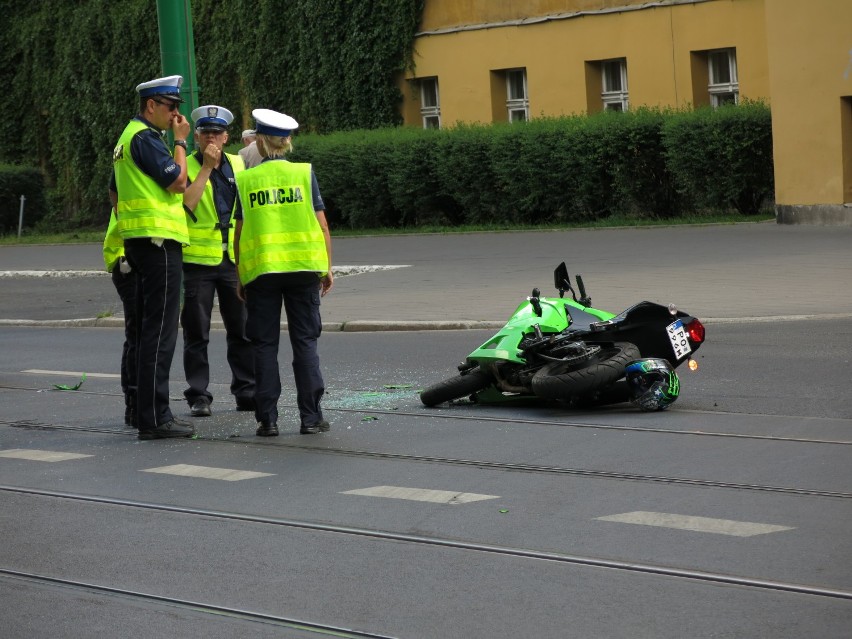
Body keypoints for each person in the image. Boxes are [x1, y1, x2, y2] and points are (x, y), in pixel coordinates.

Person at [234, 108, 333, 437]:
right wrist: (327, 268)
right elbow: (321, 224)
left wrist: (241, 274)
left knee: (264, 345)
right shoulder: (304, 173)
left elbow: (238, 230)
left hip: (262, 273)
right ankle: (310, 417)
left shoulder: (246, 180)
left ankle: (268, 420)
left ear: (259, 142)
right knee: (305, 342)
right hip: (304, 269)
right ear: (286, 142)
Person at [109, 75, 194, 440]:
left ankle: (145, 413)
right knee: (160, 332)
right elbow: (178, 182)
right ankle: (155, 418)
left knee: (147, 331)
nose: (176, 115)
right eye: (171, 107)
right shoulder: (144, 137)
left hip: (141, 242)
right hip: (158, 243)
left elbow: (114, 195)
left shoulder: (127, 139)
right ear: (151, 106)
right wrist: (180, 142)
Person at [181, 105, 255, 417]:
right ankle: (199, 395)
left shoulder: (240, 164)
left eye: (216, 132)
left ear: (226, 137)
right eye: (205, 132)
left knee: (242, 329)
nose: (211, 137)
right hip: (198, 261)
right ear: (196, 137)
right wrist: (207, 168)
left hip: (233, 260)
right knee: (196, 332)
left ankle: (247, 390)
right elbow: (187, 203)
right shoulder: (184, 165)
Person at [102, 207, 137, 428]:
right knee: (139, 335)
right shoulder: (137, 172)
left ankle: (137, 404)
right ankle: (134, 404)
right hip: (129, 262)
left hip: (136, 259)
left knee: (140, 334)